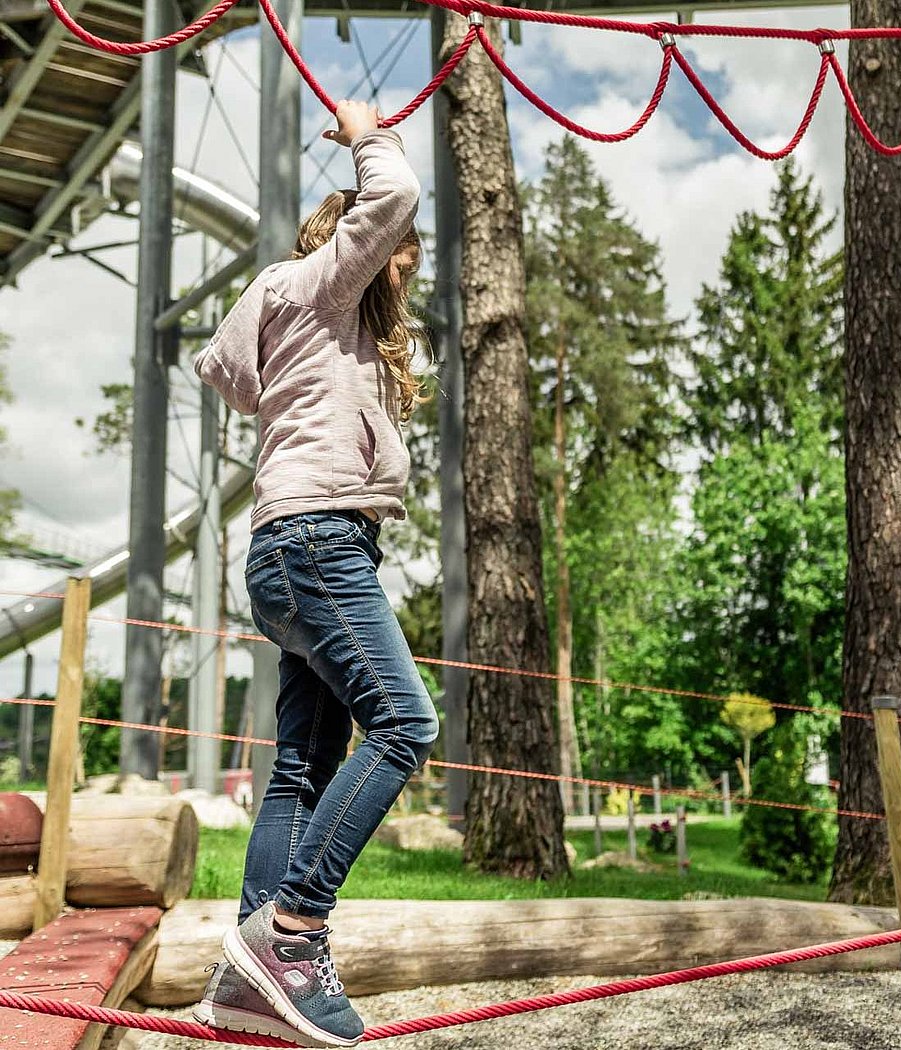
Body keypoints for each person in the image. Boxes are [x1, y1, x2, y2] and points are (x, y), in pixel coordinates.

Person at [189, 99, 439, 1048]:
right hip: (317, 545)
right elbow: (400, 187)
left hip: (294, 551)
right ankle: (293, 934)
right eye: (395, 247)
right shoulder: (319, 285)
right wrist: (367, 131)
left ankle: (249, 974)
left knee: (301, 764)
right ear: (354, 242)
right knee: (405, 722)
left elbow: (231, 373)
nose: (406, 259)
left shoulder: (312, 319)